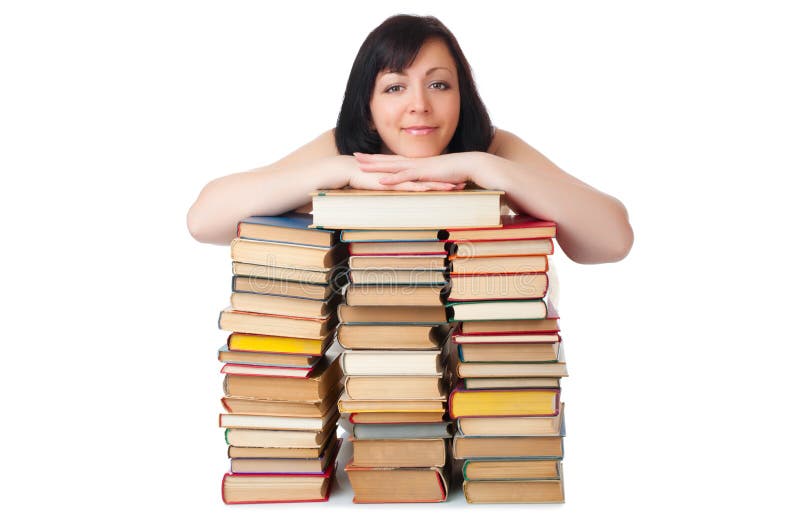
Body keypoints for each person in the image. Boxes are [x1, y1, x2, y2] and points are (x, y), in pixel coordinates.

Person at [187, 14, 633, 264]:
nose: (419, 105)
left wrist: (485, 166)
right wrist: (344, 170)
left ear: (462, 94)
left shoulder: (493, 147)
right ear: (367, 102)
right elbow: (205, 221)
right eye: (395, 87)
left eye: (438, 85)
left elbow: (612, 240)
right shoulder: (344, 147)